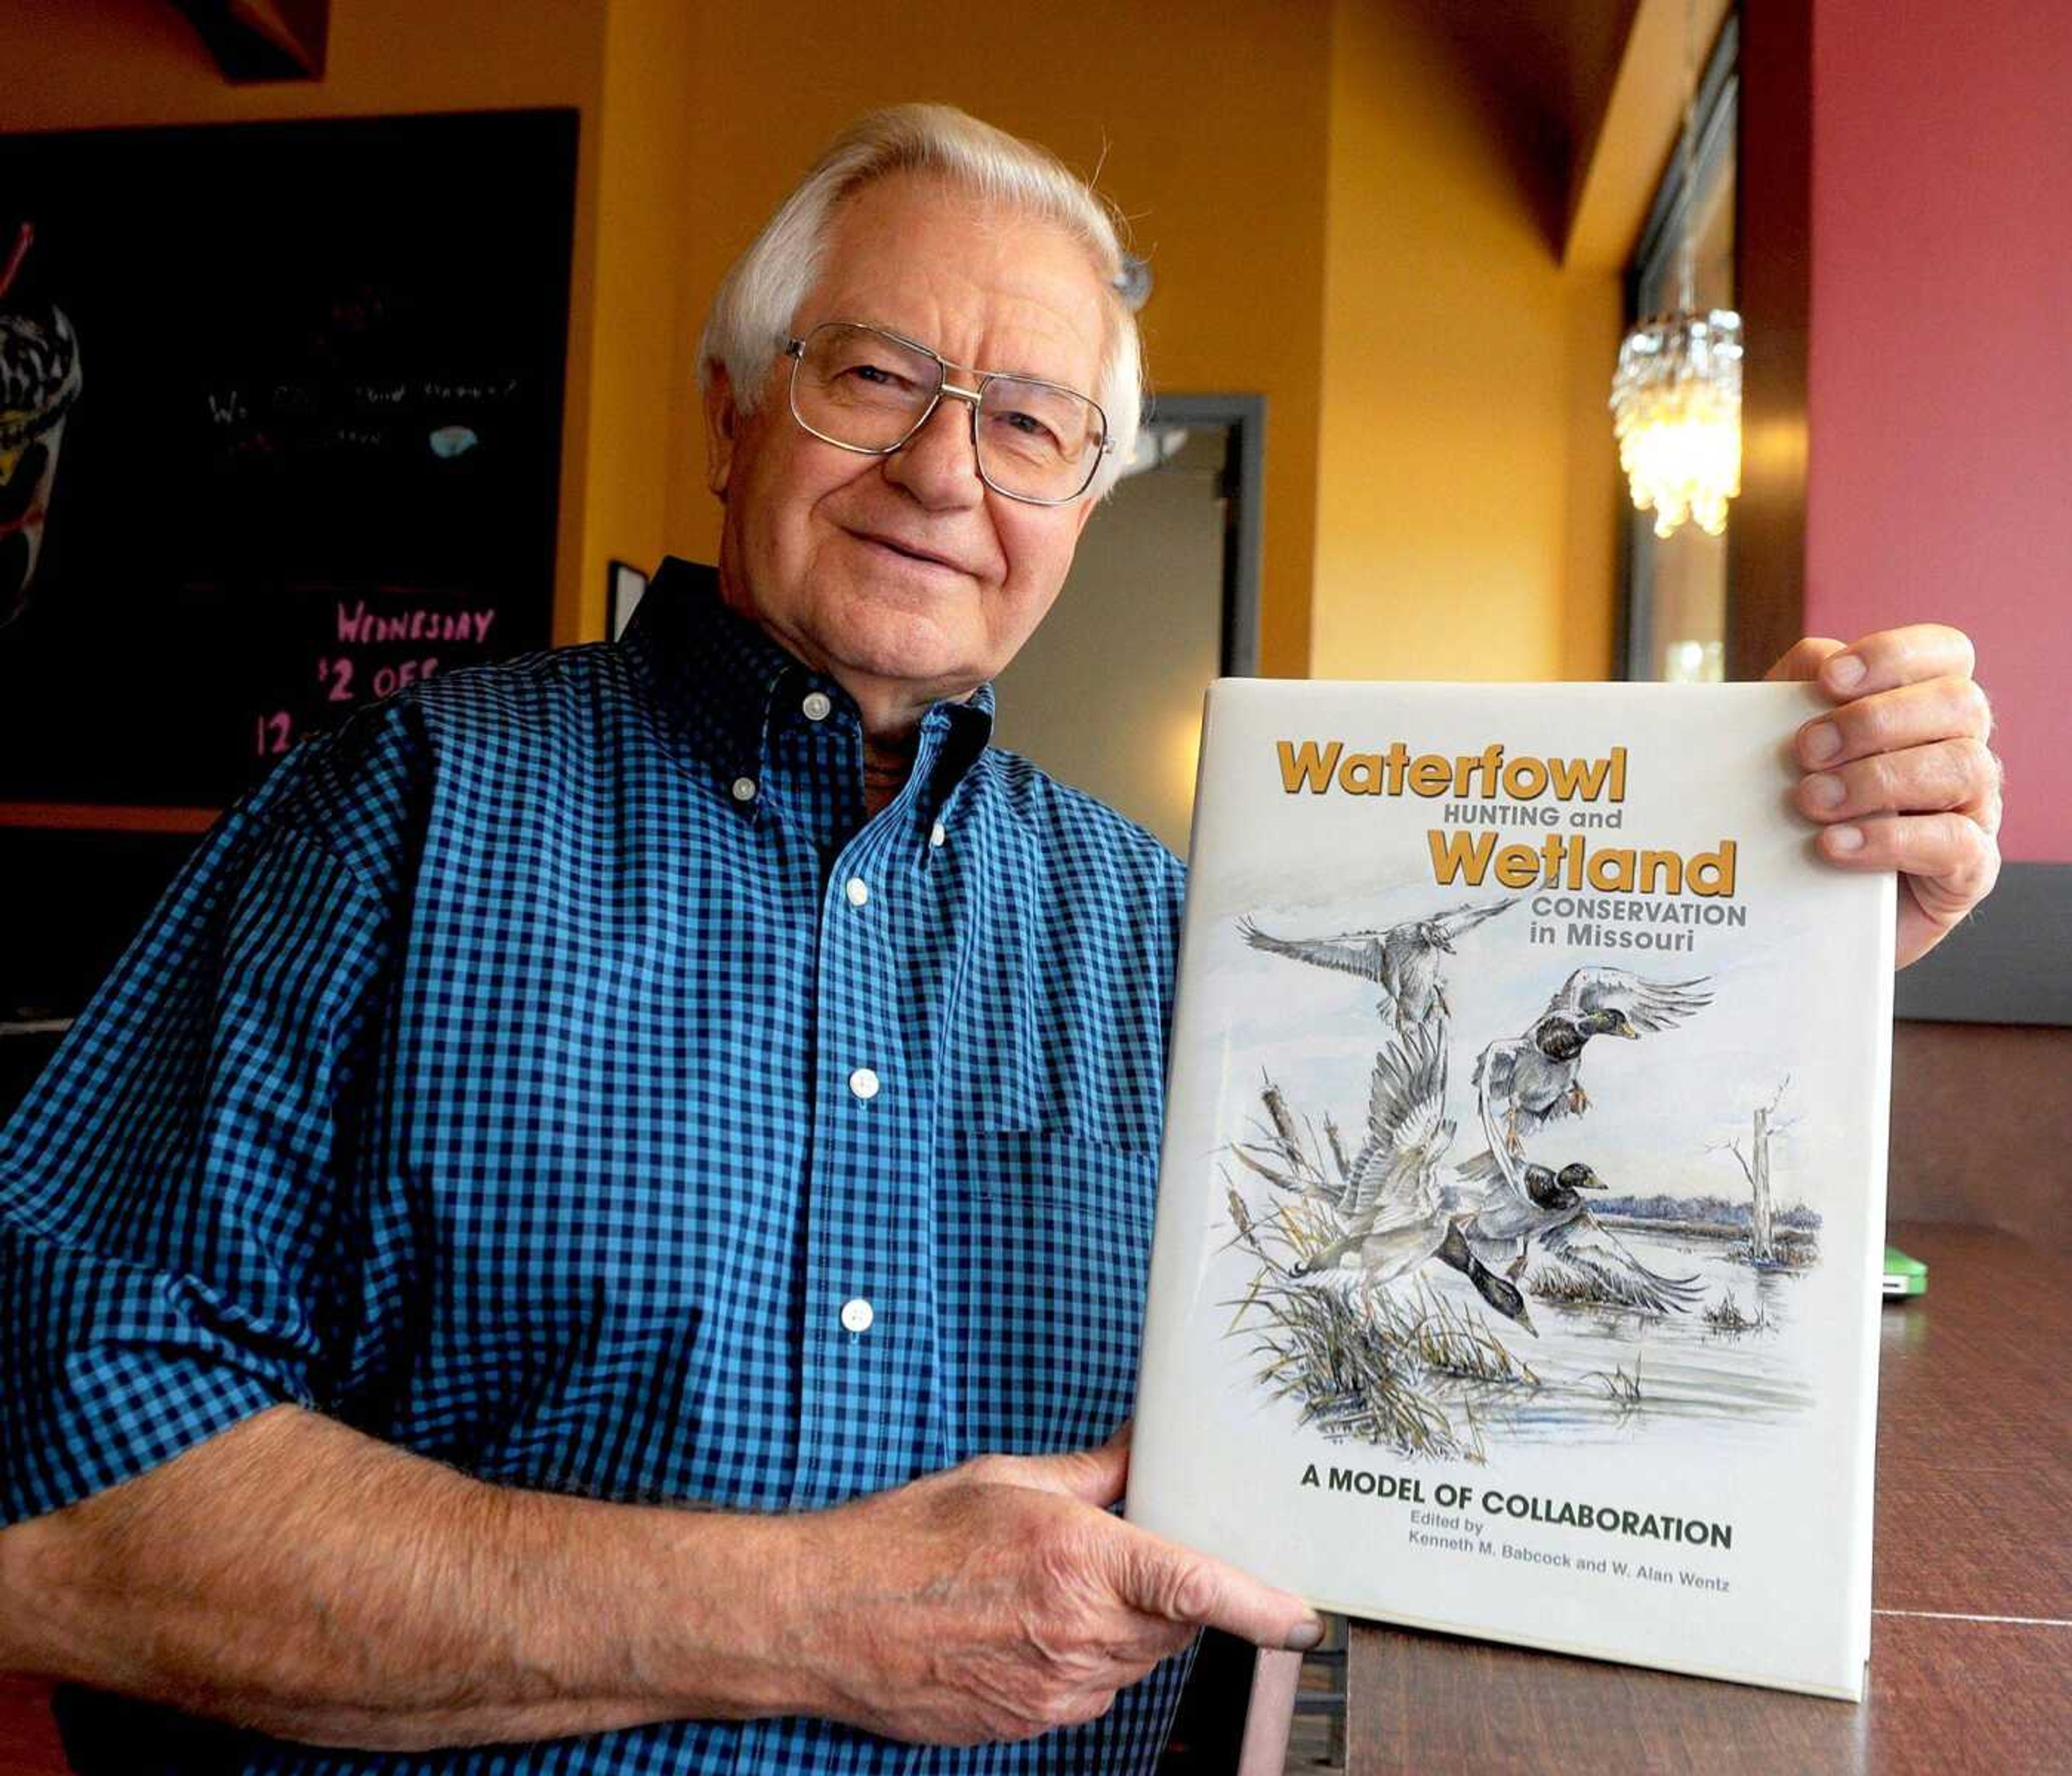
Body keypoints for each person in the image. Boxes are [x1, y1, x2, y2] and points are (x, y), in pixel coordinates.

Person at [0, 103, 2001, 1775]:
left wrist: (1788, 927)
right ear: (732, 413)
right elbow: (51, 1495)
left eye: (1032, 424)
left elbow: (1458, 1308)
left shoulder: (1165, 930)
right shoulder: (403, 814)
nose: (949, 471)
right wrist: (808, 1618)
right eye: (877, 376)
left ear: (1082, 504)